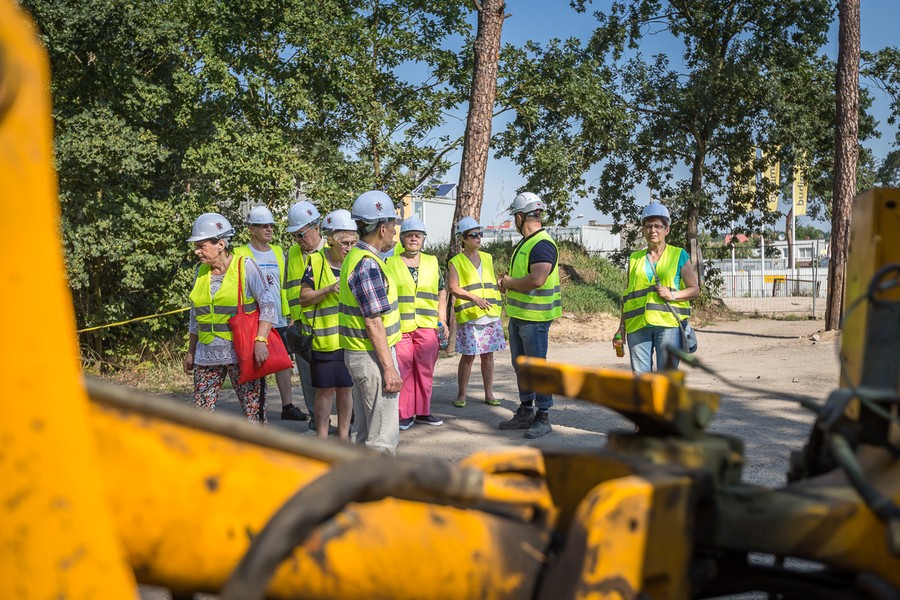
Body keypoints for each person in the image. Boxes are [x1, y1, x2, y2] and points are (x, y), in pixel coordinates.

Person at [183, 212, 277, 423]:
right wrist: (190, 351)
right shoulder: (201, 272)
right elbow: (195, 315)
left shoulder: (245, 266)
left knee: (254, 416)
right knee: (200, 418)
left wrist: (261, 340)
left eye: (201, 245)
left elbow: (268, 305)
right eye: (196, 246)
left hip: (242, 354)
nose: (197, 251)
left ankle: (257, 456)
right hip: (206, 356)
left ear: (221, 244)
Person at [339, 191, 403, 454]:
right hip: (373, 356)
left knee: (366, 432)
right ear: (382, 227)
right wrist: (389, 368)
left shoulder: (357, 258)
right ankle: (380, 491)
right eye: (393, 226)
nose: (394, 233)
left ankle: (360, 488)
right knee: (381, 439)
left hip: (362, 354)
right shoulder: (368, 264)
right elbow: (373, 322)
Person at [233, 206, 307, 422]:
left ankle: (287, 406)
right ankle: (254, 408)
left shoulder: (278, 252)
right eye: (263, 225)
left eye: (271, 225)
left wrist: (291, 314)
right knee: (254, 362)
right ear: (251, 229)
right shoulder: (240, 253)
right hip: (254, 319)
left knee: (282, 361)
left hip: (279, 318)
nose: (269, 229)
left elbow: (286, 286)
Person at [497, 192, 561, 440]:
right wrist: (509, 283)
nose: (515, 220)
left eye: (515, 216)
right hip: (520, 315)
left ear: (521, 216)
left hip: (536, 317)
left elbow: (537, 279)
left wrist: (510, 282)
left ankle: (543, 416)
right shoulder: (527, 243)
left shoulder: (542, 244)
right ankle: (526, 410)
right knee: (521, 366)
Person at [615, 202, 700, 374]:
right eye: (648, 226)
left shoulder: (678, 255)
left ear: (666, 230)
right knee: (641, 379)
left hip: (668, 326)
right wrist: (621, 328)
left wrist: (673, 295)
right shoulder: (634, 258)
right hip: (637, 327)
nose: (653, 230)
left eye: (657, 226)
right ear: (642, 231)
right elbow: (628, 296)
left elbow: (694, 289)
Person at [385, 217, 448, 429]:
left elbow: (441, 291)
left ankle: (423, 411)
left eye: (417, 235)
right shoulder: (390, 263)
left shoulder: (432, 261)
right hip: (400, 326)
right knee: (404, 370)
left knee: (425, 370)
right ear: (402, 239)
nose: (413, 238)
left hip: (427, 325)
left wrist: (443, 320)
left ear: (423, 239)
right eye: (409, 235)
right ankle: (404, 414)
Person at [299, 209, 357, 440]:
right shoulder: (316, 262)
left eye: (353, 243)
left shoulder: (356, 262)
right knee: (325, 391)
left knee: (346, 389)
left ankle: (344, 438)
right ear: (331, 240)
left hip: (350, 338)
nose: (348, 248)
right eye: (344, 243)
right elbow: (303, 298)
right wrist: (328, 289)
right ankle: (321, 440)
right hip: (325, 340)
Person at [447, 216, 505, 409]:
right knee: (468, 357)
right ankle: (461, 394)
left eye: (480, 234)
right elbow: (453, 288)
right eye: (474, 235)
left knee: (488, 356)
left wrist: (501, 285)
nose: (479, 237)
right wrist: (474, 299)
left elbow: (488, 281)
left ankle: (489, 393)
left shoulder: (487, 257)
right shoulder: (456, 261)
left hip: (491, 313)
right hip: (471, 315)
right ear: (463, 239)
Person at [284, 200, 326, 430]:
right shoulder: (292, 253)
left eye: (302, 235)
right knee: (308, 379)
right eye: (295, 236)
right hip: (301, 326)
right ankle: (317, 421)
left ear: (316, 227)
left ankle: (348, 419)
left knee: (333, 377)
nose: (298, 241)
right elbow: (288, 289)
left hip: (328, 325)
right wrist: (291, 322)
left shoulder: (332, 250)